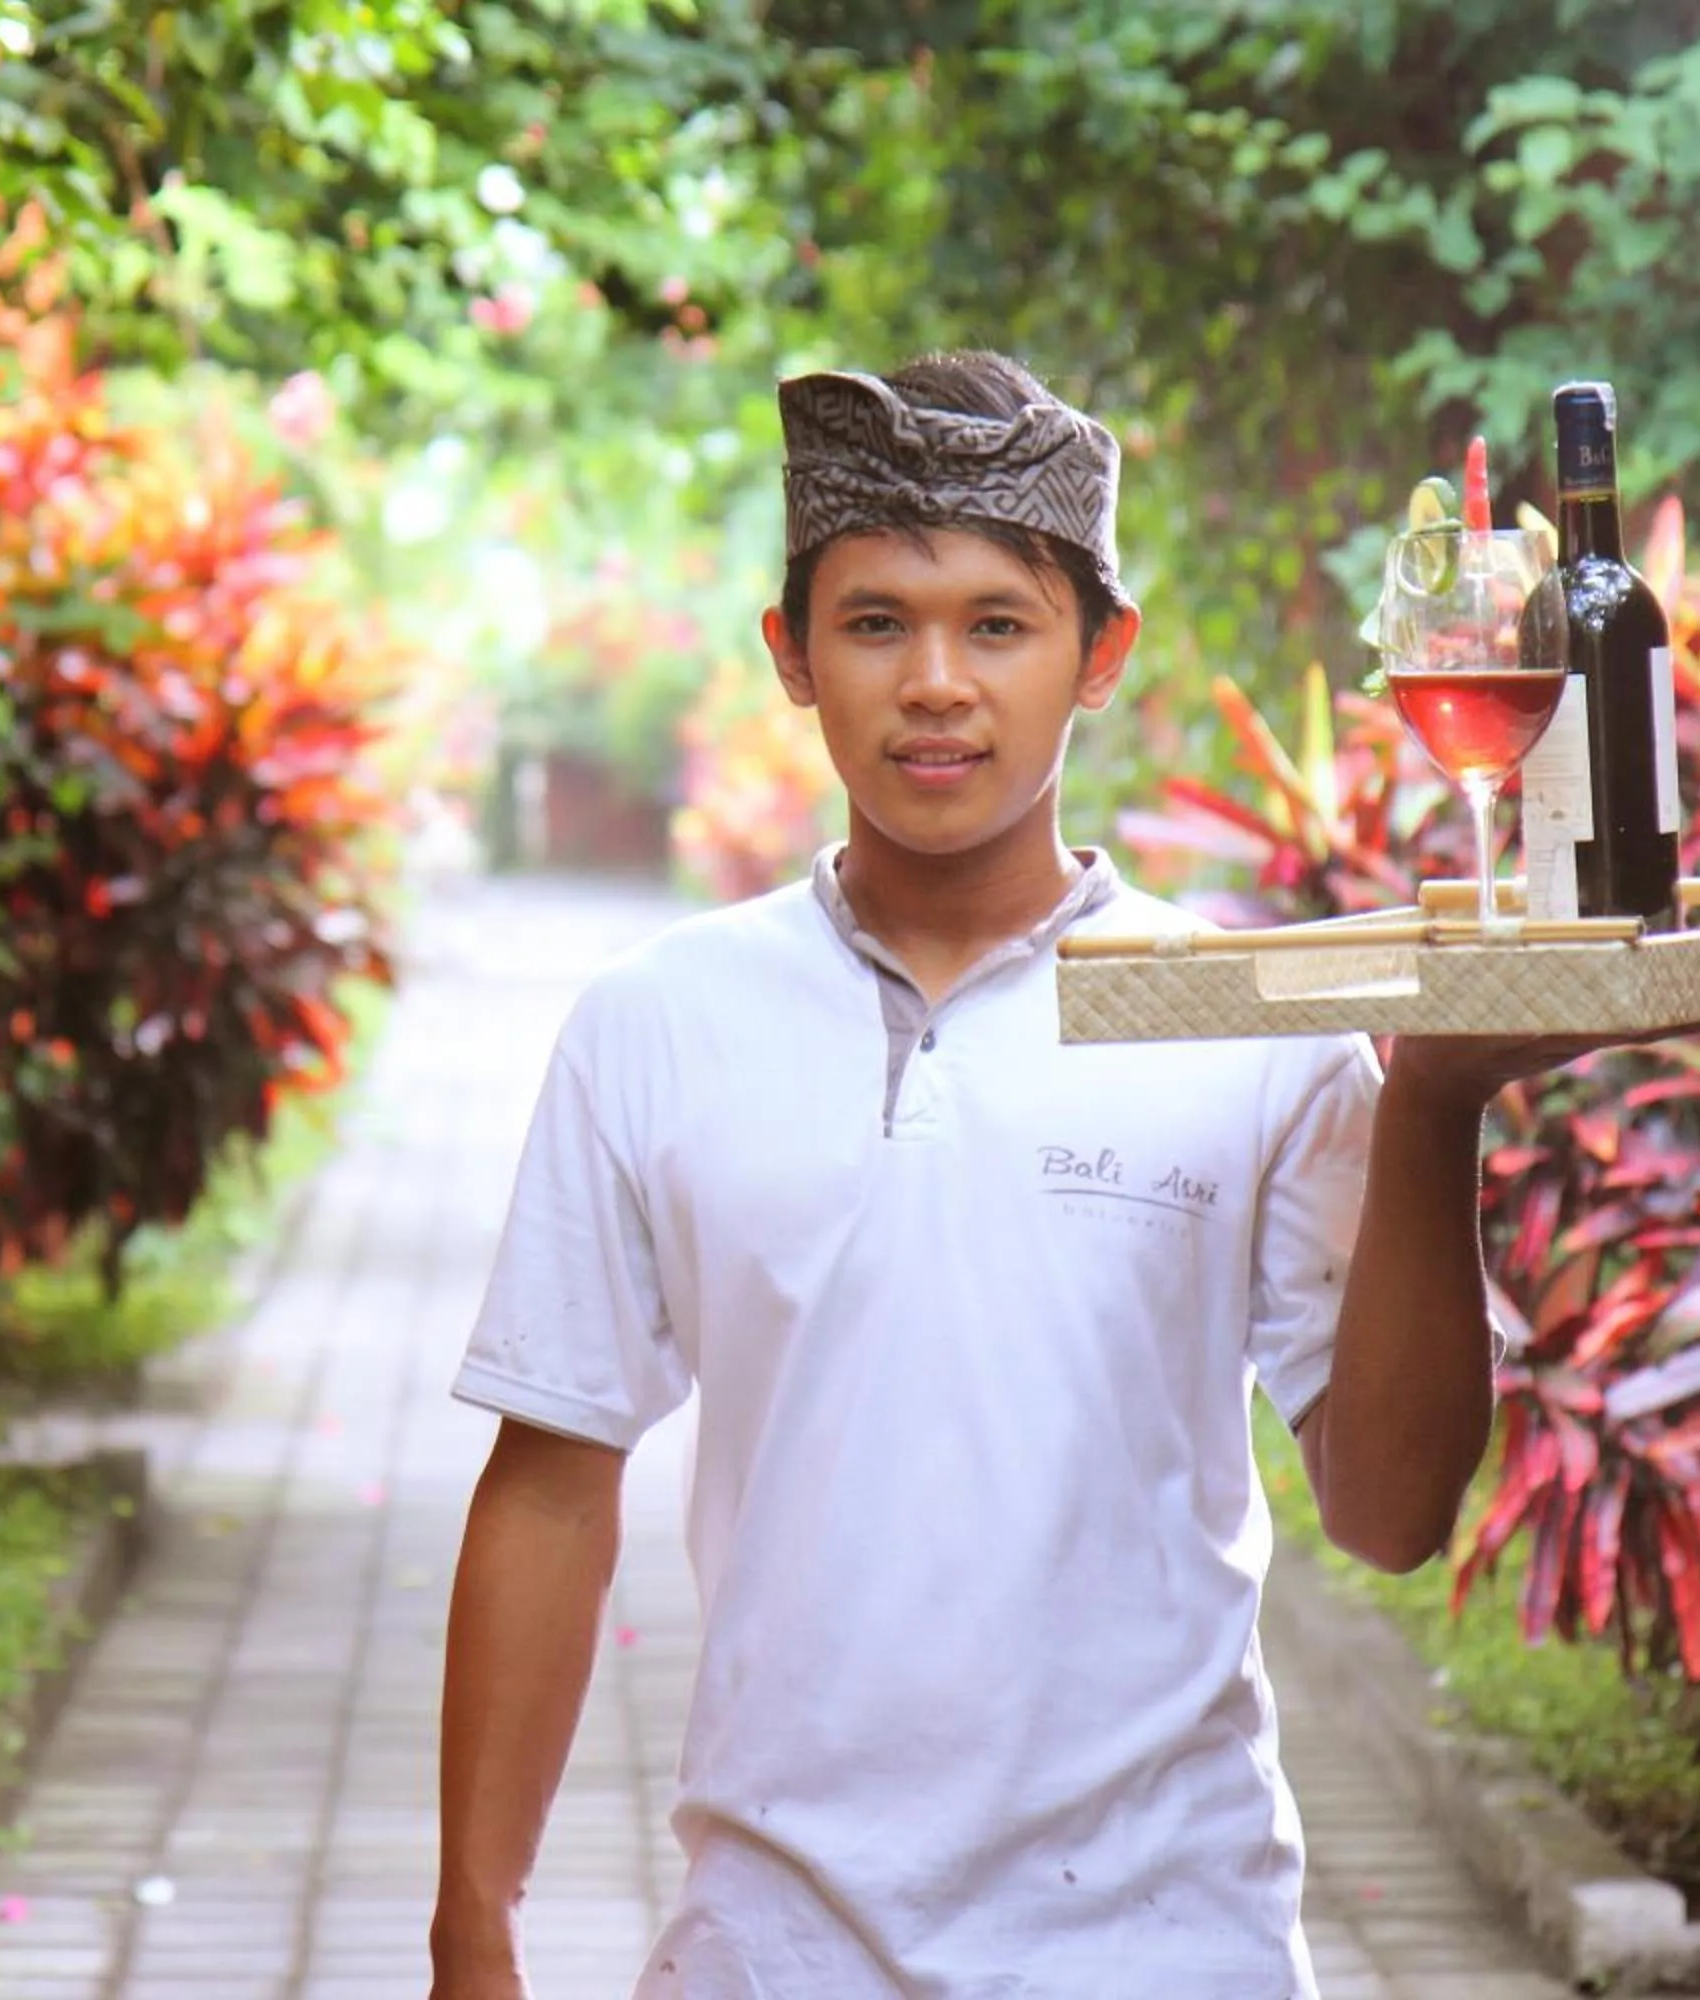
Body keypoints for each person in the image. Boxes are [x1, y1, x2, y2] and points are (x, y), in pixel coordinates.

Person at [430, 350, 1591, 1999]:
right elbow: (549, 1488)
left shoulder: (1255, 1022)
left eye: (999, 622)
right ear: (791, 655)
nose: (936, 684)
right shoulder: (655, 1025)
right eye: (876, 622)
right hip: (768, 1956)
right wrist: (473, 1924)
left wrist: (1435, 1109)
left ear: (1100, 654)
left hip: (1166, 1946)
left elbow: (1393, 1513)